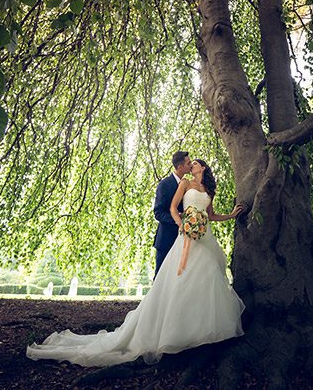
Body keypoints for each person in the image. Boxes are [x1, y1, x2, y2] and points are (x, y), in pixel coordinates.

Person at [26, 157, 245, 367]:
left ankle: (200, 331)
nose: (192, 165)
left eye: (195, 164)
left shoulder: (208, 190)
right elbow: (172, 208)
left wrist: (232, 215)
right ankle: (174, 334)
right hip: (186, 237)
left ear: (203, 169)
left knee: (205, 280)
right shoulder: (185, 184)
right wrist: (182, 223)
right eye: (191, 163)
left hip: (204, 240)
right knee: (179, 280)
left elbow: (211, 215)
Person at [153, 150, 191, 277]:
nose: (190, 165)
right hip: (166, 239)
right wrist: (177, 219)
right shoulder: (164, 184)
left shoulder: (189, 185)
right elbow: (158, 212)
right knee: (161, 277)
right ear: (180, 167)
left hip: (184, 239)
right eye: (188, 163)